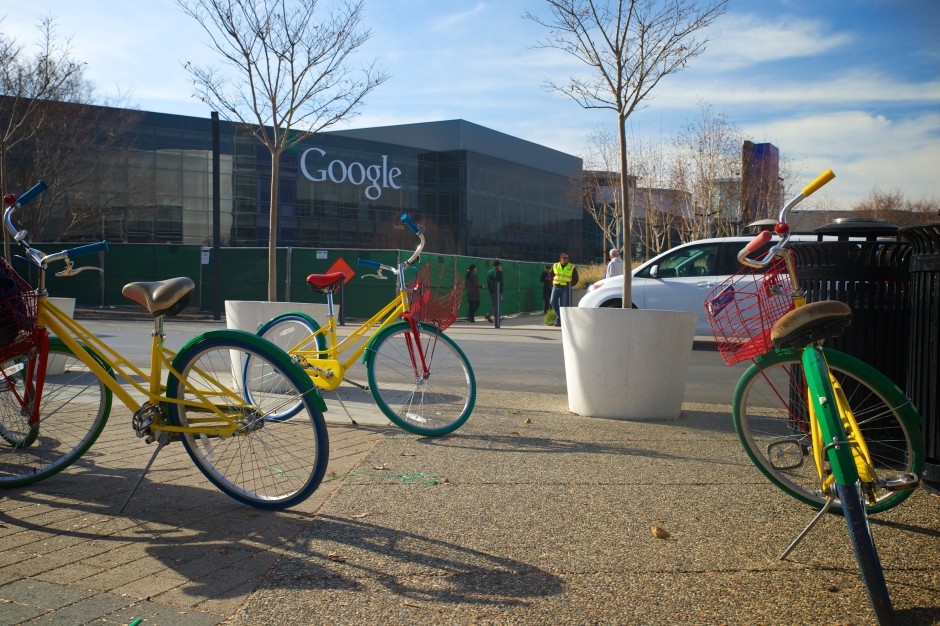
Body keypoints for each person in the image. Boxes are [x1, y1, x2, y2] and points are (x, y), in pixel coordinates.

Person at [549, 252, 578, 327]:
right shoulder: (555, 265)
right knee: (552, 302)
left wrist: (570, 285)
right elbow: (551, 275)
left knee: (563, 305)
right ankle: (561, 318)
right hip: (556, 287)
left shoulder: (572, 267)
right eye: (565, 258)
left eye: (568, 258)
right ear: (560, 259)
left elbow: (576, 278)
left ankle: (558, 320)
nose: (567, 259)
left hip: (565, 289)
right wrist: (552, 282)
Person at [485, 259, 503, 323]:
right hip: (497, 290)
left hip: (491, 290)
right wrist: (500, 291)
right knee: (497, 304)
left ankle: (497, 317)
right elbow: (500, 281)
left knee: (494, 304)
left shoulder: (489, 272)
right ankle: (489, 314)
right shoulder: (499, 271)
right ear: (498, 265)